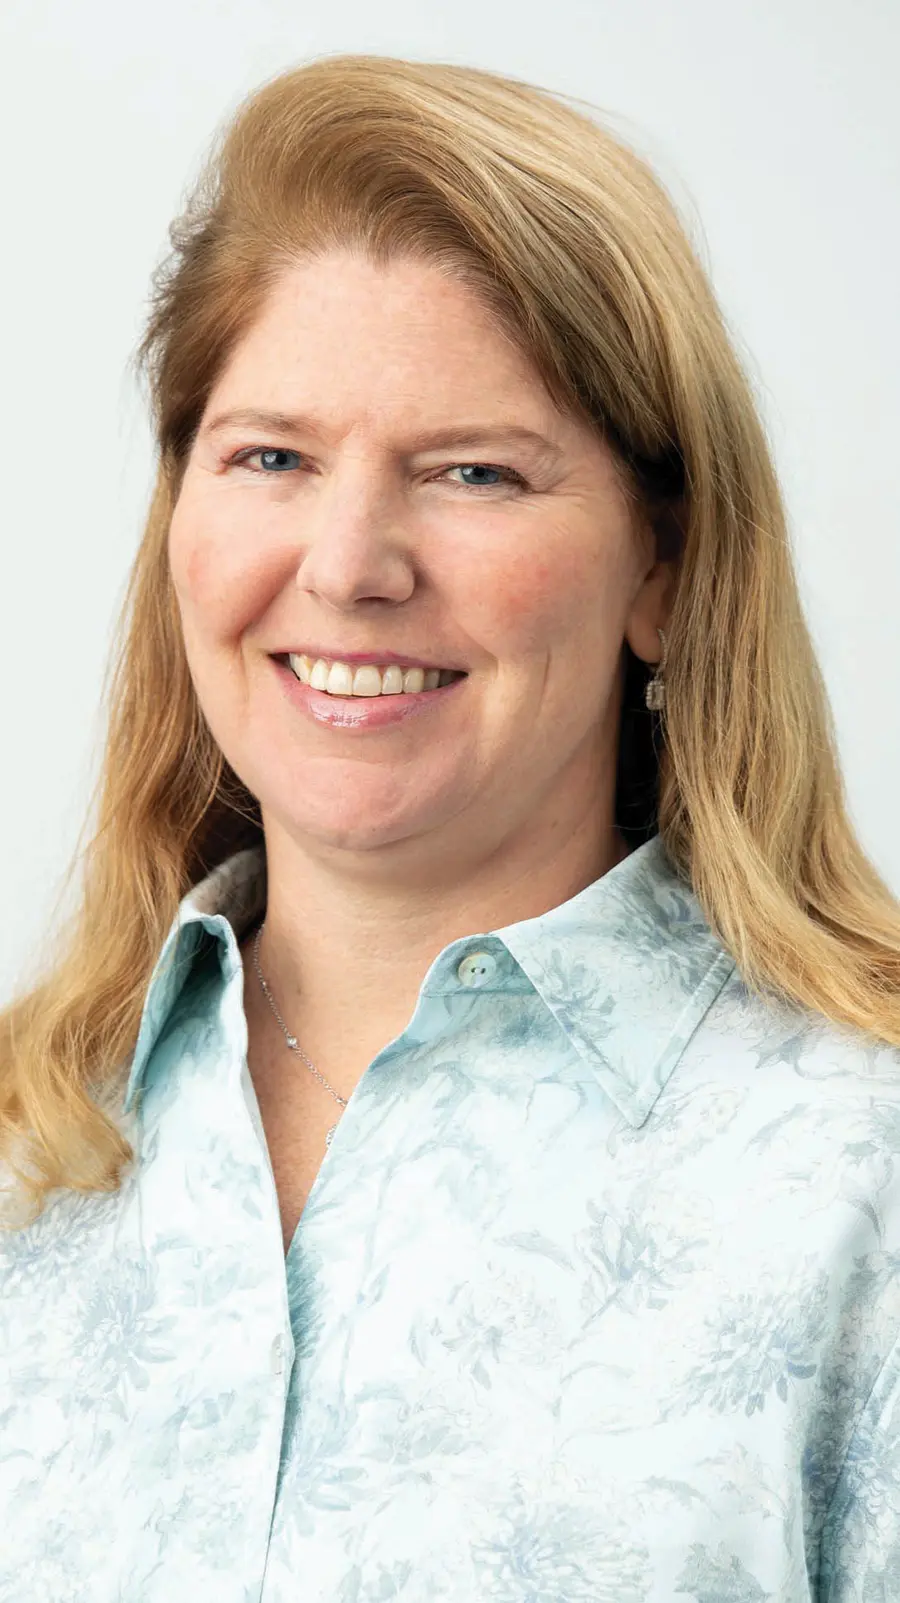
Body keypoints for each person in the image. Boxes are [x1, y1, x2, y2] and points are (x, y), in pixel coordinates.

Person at [1, 50, 899, 1603]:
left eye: (473, 472)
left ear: (665, 569)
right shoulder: (32, 1148)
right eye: (271, 456)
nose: (350, 564)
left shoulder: (856, 1183)